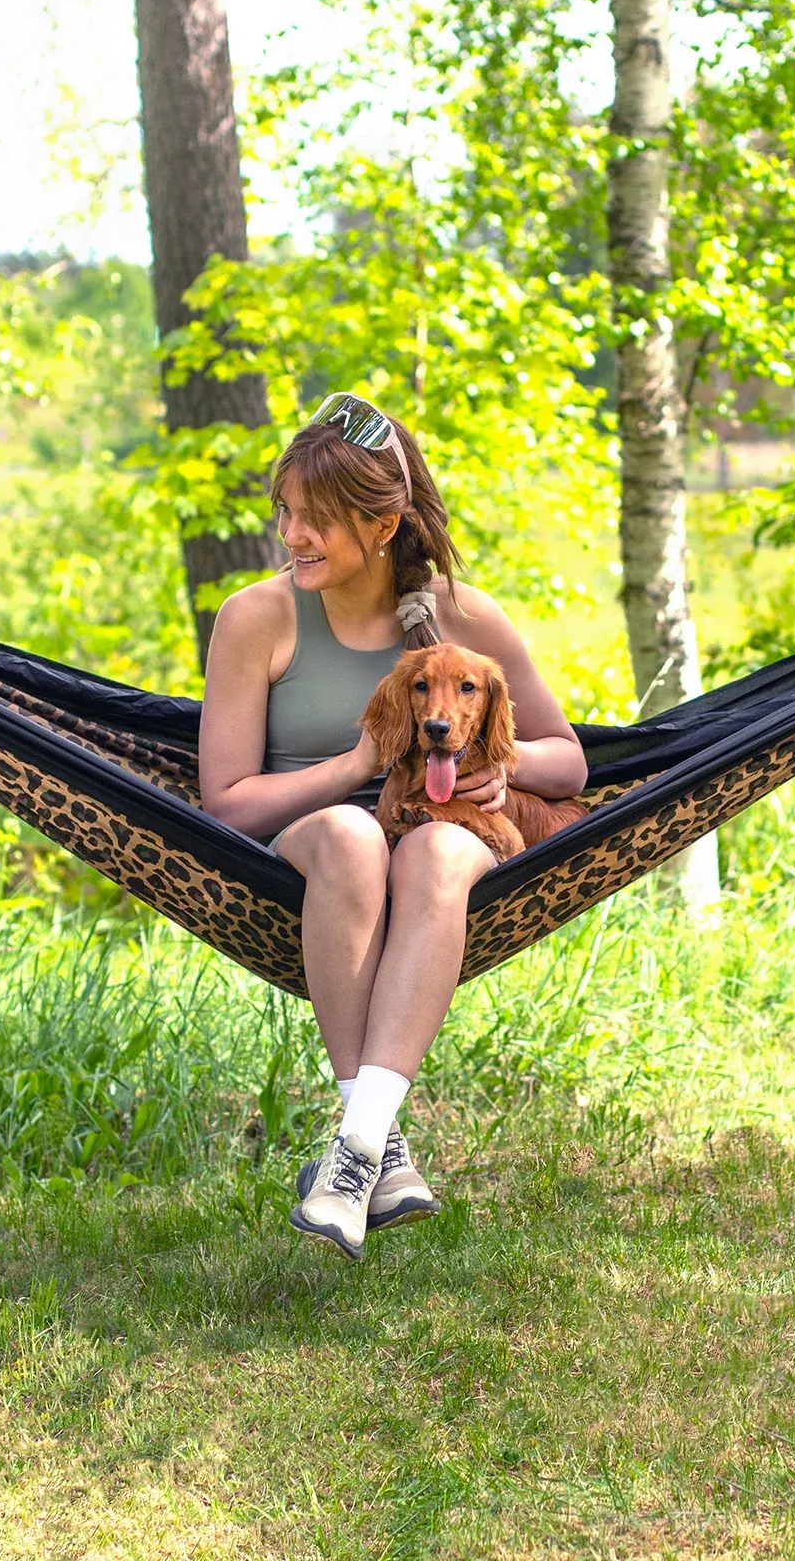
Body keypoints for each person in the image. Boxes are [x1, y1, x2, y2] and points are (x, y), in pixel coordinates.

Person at [199, 395, 587, 1259]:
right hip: (304, 847)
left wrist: (506, 767)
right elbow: (223, 803)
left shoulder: (462, 617)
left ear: (383, 526)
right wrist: (353, 768)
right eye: (287, 514)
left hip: (430, 856)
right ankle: (378, 1146)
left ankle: (359, 1149)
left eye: (318, 522)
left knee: (442, 846)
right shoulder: (255, 619)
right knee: (353, 833)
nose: (293, 536)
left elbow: (570, 759)